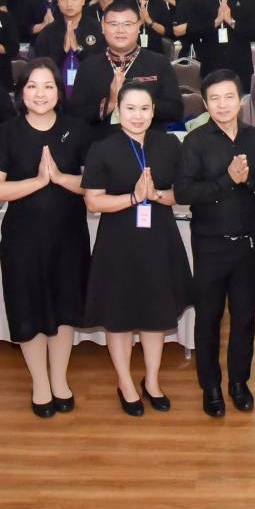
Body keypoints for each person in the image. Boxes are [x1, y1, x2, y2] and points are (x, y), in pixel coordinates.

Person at [0, 60, 92, 417]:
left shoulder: (77, 129)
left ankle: (59, 379)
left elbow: (92, 186)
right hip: (22, 240)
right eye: (32, 86)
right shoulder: (7, 132)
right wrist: (38, 181)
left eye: (48, 86)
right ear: (21, 92)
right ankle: (40, 383)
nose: (40, 94)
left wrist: (59, 178)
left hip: (68, 237)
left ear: (59, 91)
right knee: (29, 310)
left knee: (63, 311)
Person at [82, 83, 194, 417]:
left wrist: (155, 195)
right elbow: (93, 201)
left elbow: (181, 194)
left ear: (153, 111)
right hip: (118, 243)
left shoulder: (169, 145)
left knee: (155, 315)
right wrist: (133, 198)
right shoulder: (102, 148)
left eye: (144, 108)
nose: (137, 115)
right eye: (130, 108)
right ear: (118, 110)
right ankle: (125, 382)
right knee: (118, 317)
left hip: (158, 239)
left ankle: (153, 380)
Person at [175, 70, 255, 417]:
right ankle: (211, 387)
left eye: (229, 97)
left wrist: (248, 181)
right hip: (210, 246)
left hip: (248, 245)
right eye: (215, 99)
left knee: (244, 319)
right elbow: (184, 192)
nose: (222, 105)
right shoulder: (195, 142)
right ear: (205, 104)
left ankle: (238, 383)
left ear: (241, 100)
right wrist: (227, 180)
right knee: (208, 319)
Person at [69, 3, 184, 139]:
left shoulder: (160, 63)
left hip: (150, 143)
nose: (120, 30)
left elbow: (176, 111)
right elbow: (75, 114)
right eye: (113, 24)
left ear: (139, 26)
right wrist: (110, 104)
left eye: (127, 24)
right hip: (102, 144)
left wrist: (139, 103)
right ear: (103, 27)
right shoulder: (88, 66)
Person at [186, 0, 255, 94]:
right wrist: (215, 22)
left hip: (240, 67)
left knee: (240, 105)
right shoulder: (200, 1)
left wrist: (231, 22)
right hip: (210, 66)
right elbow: (191, 33)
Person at [32, 0, 103, 92]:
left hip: (91, 91)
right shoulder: (48, 32)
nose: (69, 4)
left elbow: (101, 66)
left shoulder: (97, 28)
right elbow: (40, 69)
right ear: (57, 1)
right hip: (57, 93)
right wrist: (63, 51)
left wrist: (78, 49)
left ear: (83, 0)